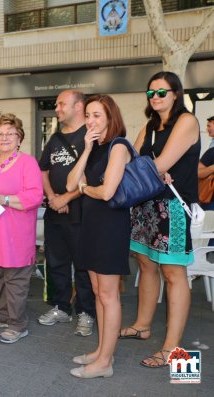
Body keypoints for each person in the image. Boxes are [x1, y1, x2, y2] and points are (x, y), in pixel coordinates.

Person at [121, 71, 200, 368]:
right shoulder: (150, 125)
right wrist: (147, 169)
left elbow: (161, 164)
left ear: (176, 93)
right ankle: (142, 326)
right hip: (145, 205)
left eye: (162, 92)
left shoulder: (187, 121)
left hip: (173, 208)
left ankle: (172, 349)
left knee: (173, 273)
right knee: (145, 264)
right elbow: (132, 161)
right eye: (151, 93)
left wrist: (147, 169)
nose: (155, 98)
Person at [66, 95, 131, 378]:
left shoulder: (119, 146)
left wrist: (84, 188)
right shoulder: (94, 147)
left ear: (110, 117)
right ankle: (102, 351)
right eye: (88, 115)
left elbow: (107, 192)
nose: (91, 121)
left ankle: (105, 362)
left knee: (108, 295)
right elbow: (70, 183)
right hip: (91, 224)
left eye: (97, 116)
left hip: (110, 227)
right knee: (97, 293)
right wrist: (86, 148)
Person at [0, 114, 43, 344]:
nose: (4, 137)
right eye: (0, 133)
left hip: (15, 232)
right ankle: (4, 315)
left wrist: (4, 198)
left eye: (10, 133)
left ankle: (18, 324)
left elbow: (35, 196)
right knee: (0, 274)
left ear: (19, 137)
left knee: (15, 277)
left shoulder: (27, 162)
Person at [37, 90, 96, 336]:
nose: (57, 108)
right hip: (55, 212)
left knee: (83, 264)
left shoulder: (92, 137)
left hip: (82, 213)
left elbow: (94, 178)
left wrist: (66, 197)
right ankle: (60, 306)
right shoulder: (55, 138)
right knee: (56, 262)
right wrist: (52, 197)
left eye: (62, 104)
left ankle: (86, 312)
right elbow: (43, 171)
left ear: (78, 106)